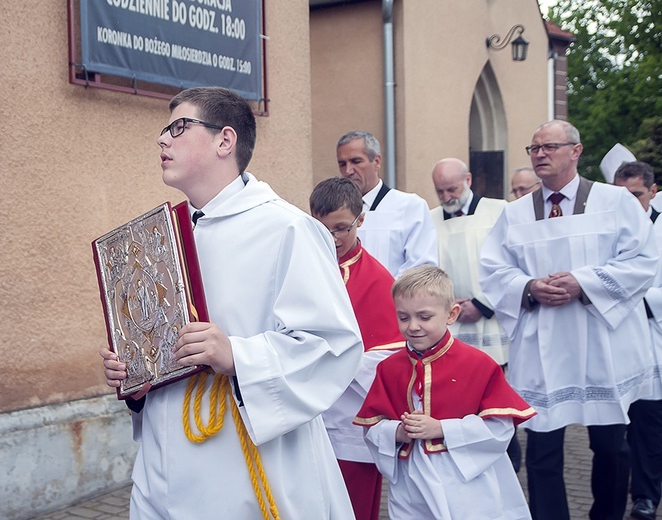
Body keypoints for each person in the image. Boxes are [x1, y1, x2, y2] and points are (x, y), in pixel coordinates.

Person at [100, 87, 363, 520]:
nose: (162, 140)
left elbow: (333, 345)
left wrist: (239, 354)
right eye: (165, 130)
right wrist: (135, 374)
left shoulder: (287, 228)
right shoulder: (159, 240)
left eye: (178, 128)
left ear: (225, 141)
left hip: (246, 462)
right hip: (165, 461)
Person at [479, 120, 659, 520]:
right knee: (542, 452)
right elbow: (492, 270)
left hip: (601, 341)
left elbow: (643, 260)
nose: (540, 154)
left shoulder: (615, 202)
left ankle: (607, 515)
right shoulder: (515, 214)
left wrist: (583, 283)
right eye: (534, 148)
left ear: (576, 151)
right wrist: (529, 288)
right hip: (543, 343)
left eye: (549, 147)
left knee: (612, 446)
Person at [354, 265, 536, 520]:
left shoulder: (478, 364)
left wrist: (441, 429)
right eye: (403, 317)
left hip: (468, 482)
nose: (413, 326)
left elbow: (500, 428)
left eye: (424, 317)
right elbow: (371, 427)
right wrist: (397, 432)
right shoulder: (388, 368)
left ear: (451, 314)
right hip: (411, 482)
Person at [309, 177, 404, 520]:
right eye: (322, 229)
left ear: (360, 220)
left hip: (348, 423)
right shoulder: (301, 266)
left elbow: (390, 362)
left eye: (341, 229)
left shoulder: (379, 281)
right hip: (302, 419)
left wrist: (325, 359)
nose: (332, 239)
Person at [613, 160, 662, 520]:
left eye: (636, 195)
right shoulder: (607, 227)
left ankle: (645, 496)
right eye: (621, 195)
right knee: (618, 427)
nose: (629, 202)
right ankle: (624, 495)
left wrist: (635, 298)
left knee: (648, 420)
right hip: (616, 338)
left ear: (653, 192)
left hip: (653, 330)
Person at [430, 158, 508, 365]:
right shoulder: (430, 220)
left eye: (452, 189)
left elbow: (510, 264)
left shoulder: (498, 211)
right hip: (448, 317)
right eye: (440, 191)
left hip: (492, 317)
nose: (446, 197)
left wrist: (480, 305)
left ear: (468, 180)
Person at [336, 131, 438, 277]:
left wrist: (384, 292)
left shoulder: (410, 206)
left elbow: (421, 268)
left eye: (356, 161)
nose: (348, 171)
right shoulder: (335, 211)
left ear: (376, 161)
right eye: (342, 164)